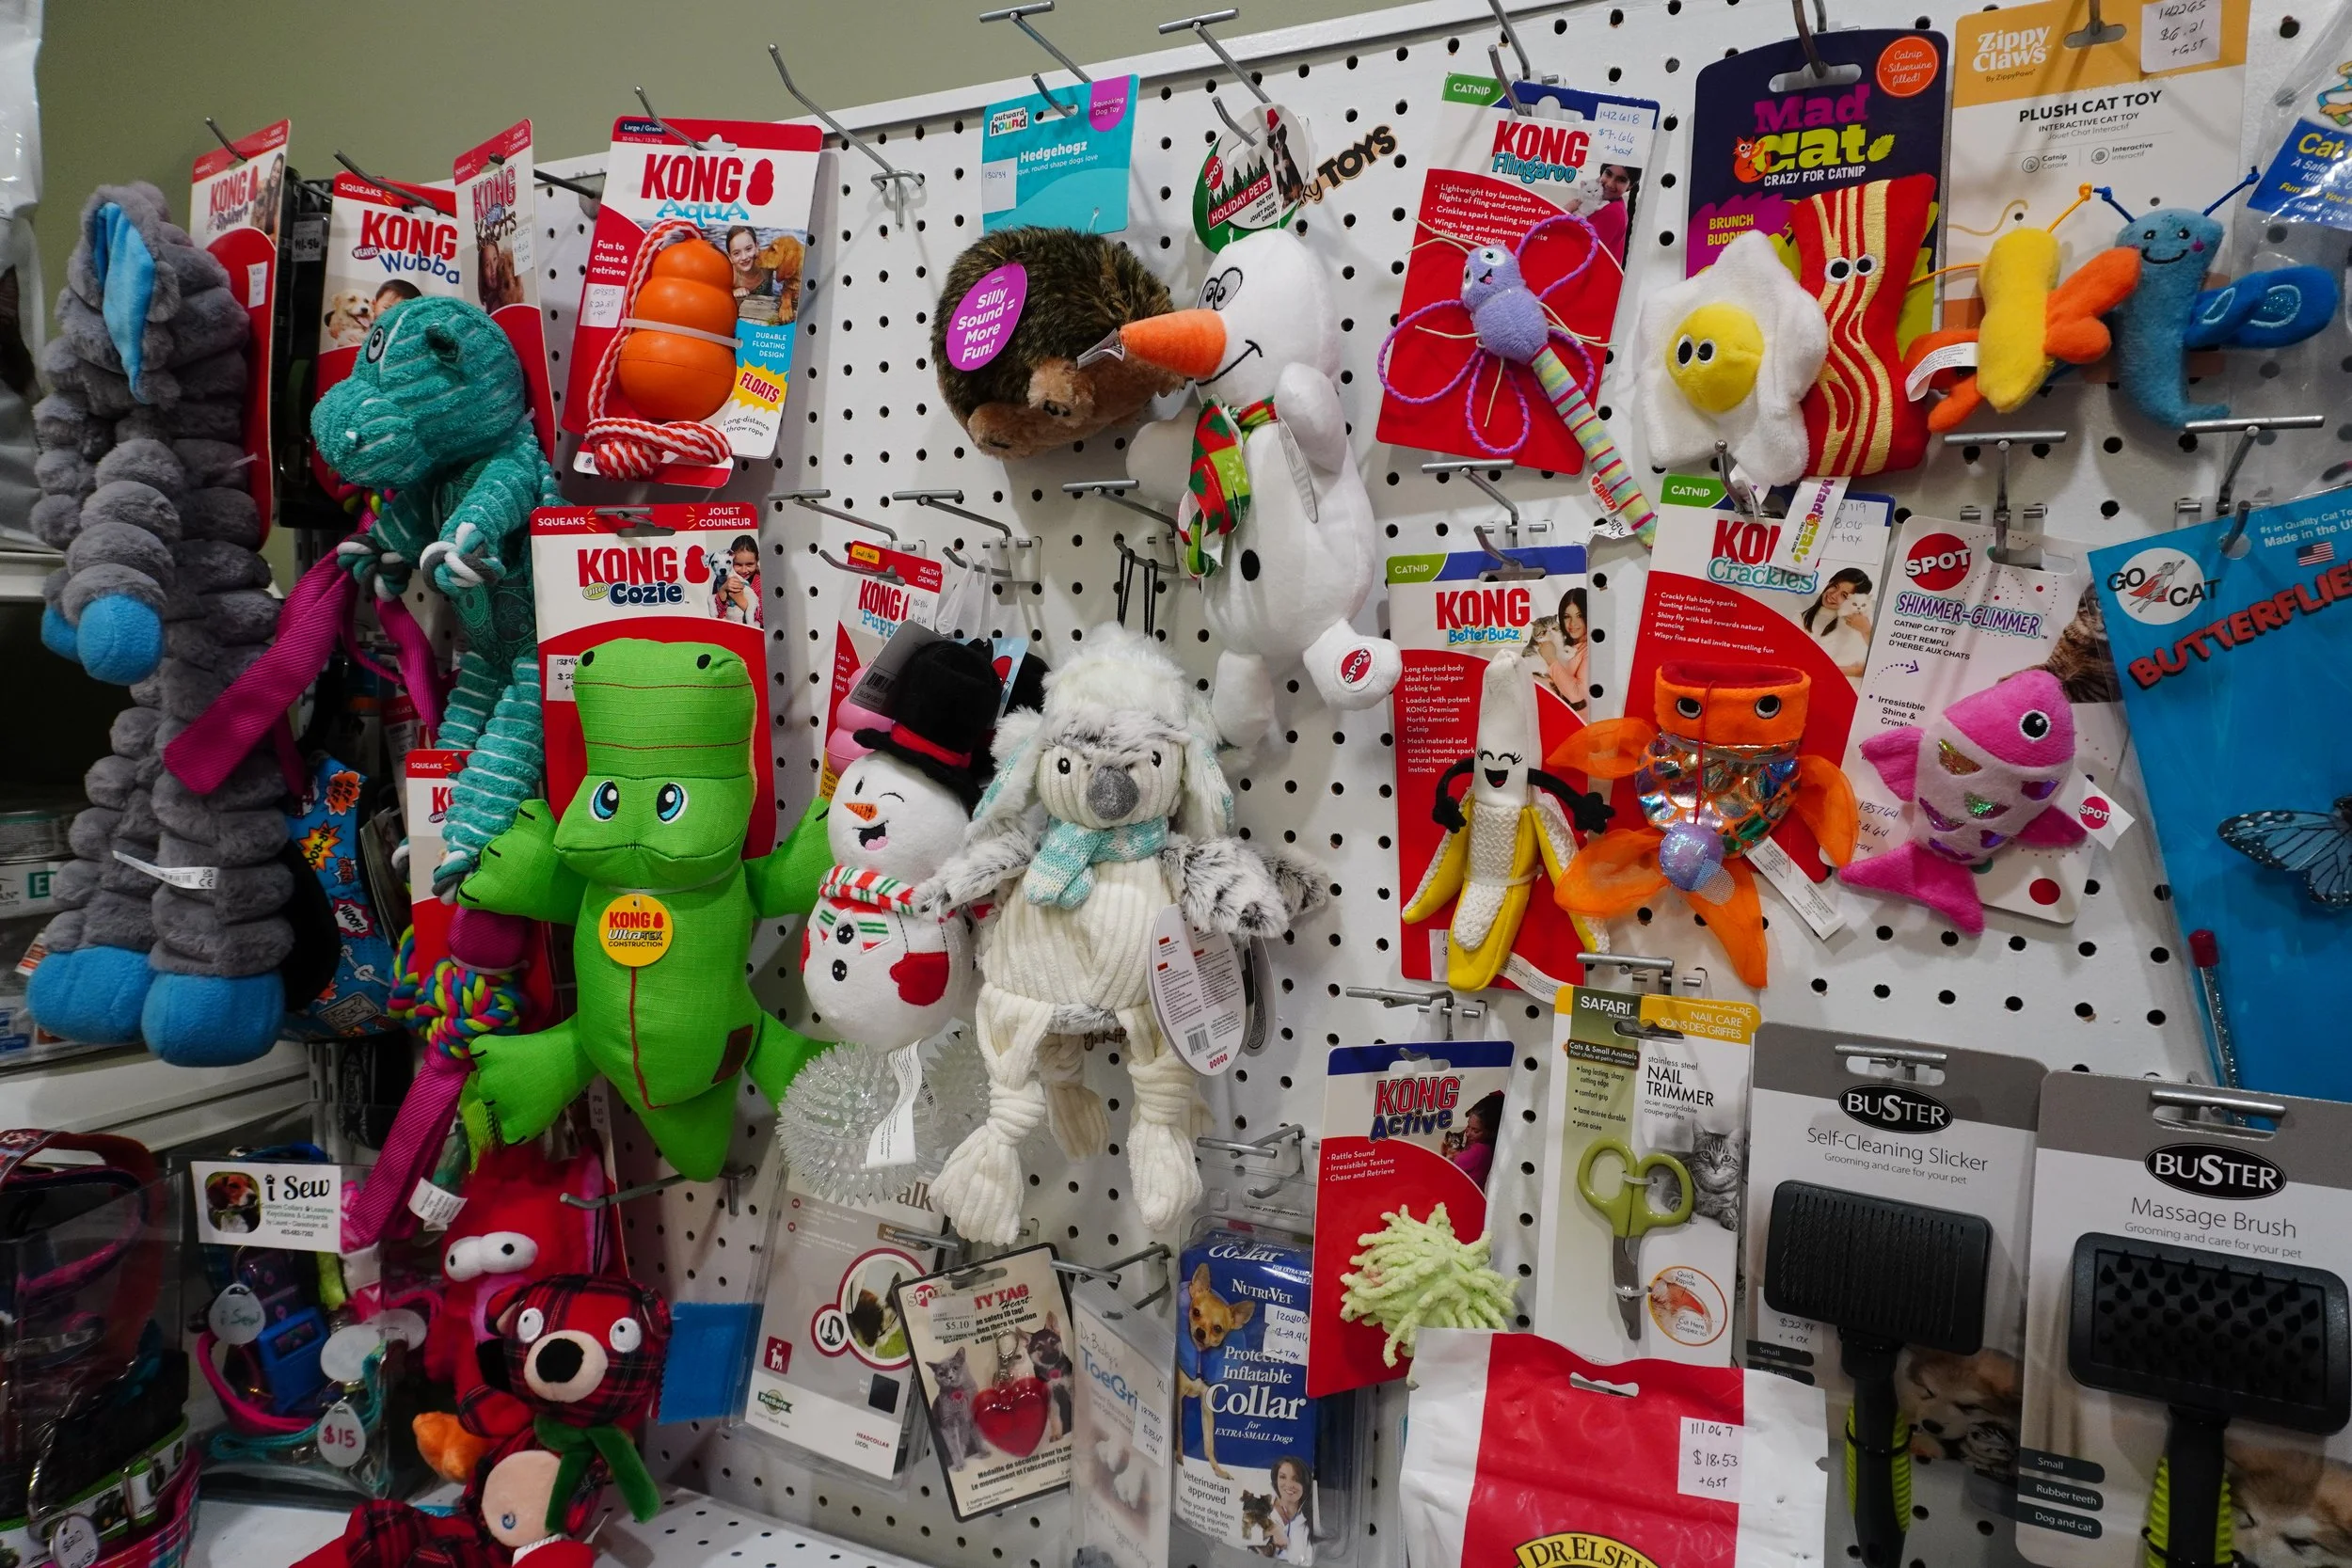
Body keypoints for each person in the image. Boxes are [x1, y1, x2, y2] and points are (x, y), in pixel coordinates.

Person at [1801, 567, 1874, 678]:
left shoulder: (1861, 623)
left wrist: (1867, 630)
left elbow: (1873, 666)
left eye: (1844, 595)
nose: (1833, 595)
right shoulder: (1801, 618)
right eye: (1835, 586)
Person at [1532, 587, 1590, 712]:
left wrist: (1551, 660)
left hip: (1576, 722)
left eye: (1579, 615)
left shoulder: (1590, 652)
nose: (1572, 624)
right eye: (1567, 616)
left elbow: (1577, 695)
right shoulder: (1561, 644)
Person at [1449, 1091, 1504, 1190]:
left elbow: (1446, 1174)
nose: (1468, 1133)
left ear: (1492, 1132)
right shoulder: (1493, 1147)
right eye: (1468, 1126)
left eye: (1475, 1130)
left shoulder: (1477, 1152)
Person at [1267, 1454, 1314, 1564]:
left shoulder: (1310, 1523)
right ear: (1276, 1480)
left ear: (1305, 1484)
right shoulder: (1264, 1514)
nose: (1289, 1485)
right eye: (1283, 1477)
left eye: (1296, 1479)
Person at [1587, 164, 1638, 263]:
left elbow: (1580, 250)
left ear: (1630, 186)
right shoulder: (1603, 201)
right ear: (1601, 173)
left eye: (1621, 180)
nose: (1610, 184)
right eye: (1608, 174)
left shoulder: (1613, 212)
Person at [712, 533, 761, 625]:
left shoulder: (761, 583)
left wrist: (738, 598)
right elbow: (717, 615)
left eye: (750, 564)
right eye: (738, 564)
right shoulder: (721, 579)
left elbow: (764, 619)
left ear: (757, 560)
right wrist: (722, 590)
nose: (744, 570)